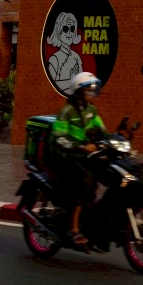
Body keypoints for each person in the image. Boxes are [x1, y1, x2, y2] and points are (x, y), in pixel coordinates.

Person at [50, 71, 107, 247]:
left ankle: (94, 217)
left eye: (93, 90)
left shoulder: (91, 110)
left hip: (84, 156)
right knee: (84, 183)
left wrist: (115, 139)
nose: (92, 93)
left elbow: (101, 130)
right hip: (66, 157)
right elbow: (58, 138)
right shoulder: (67, 111)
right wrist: (81, 147)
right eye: (88, 90)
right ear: (79, 92)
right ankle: (74, 229)